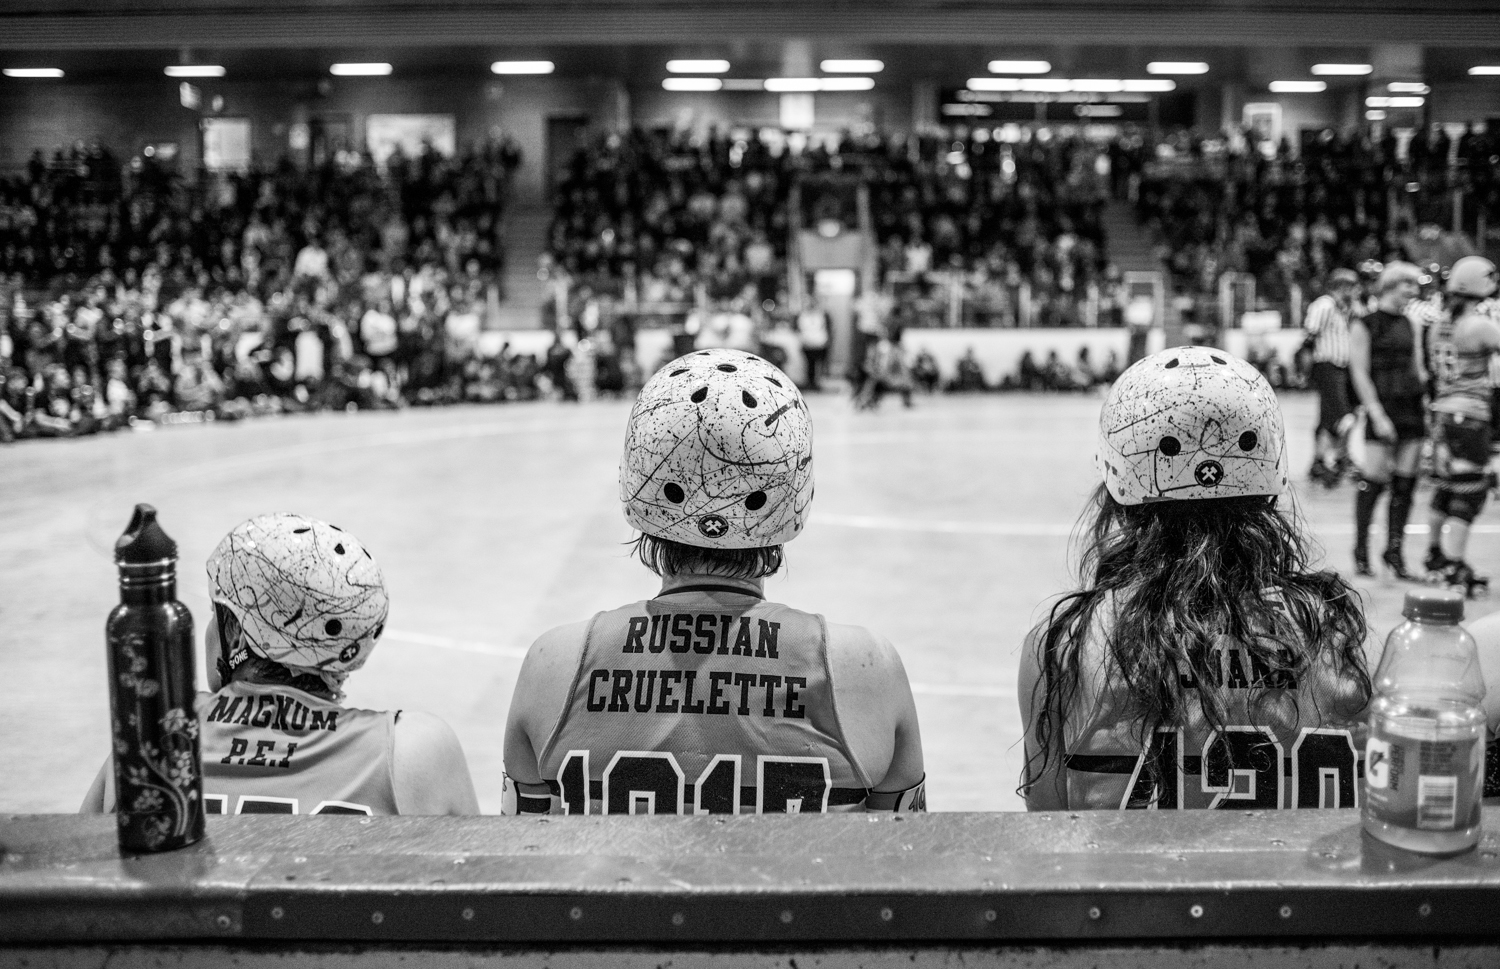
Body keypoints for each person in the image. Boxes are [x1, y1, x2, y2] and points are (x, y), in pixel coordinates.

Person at [502, 348, 926, 815]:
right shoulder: (866, 669)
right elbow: (907, 853)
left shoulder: (554, 666)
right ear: (795, 490)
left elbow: (521, 848)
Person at [1019, 346, 1371, 811]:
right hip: (1291, 862)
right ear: (1271, 485)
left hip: (1130, 863)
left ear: (1116, 493)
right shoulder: (1339, 632)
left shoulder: (1066, 644)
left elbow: (1047, 821)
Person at [83, 513, 478, 816]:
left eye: (217, 614)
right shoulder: (413, 752)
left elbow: (72, 866)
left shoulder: (154, 731)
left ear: (237, 637)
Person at [1423, 256, 1500, 596]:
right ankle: (1454, 566)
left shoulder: (1438, 325)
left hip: (1442, 415)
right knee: (1470, 492)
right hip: (1470, 416)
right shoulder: (1478, 325)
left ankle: (1435, 556)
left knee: (1445, 487)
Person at [1348, 262, 1428, 579]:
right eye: (1409, 285)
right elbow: (1359, 372)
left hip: (1411, 406)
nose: (1414, 291)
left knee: (1405, 485)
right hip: (1382, 405)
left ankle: (1394, 552)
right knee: (1374, 481)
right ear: (1392, 285)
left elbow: (1418, 367)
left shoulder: (1412, 322)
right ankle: (1361, 550)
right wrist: (1376, 413)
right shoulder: (1364, 323)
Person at [1302, 268, 1359, 487]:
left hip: (1342, 368)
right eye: (1351, 287)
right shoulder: (1324, 305)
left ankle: (1319, 461)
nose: (1355, 291)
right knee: (1343, 416)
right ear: (1341, 287)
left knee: (1328, 417)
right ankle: (1340, 458)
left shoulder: (1345, 308)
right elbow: (1309, 339)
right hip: (1327, 366)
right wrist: (1307, 371)